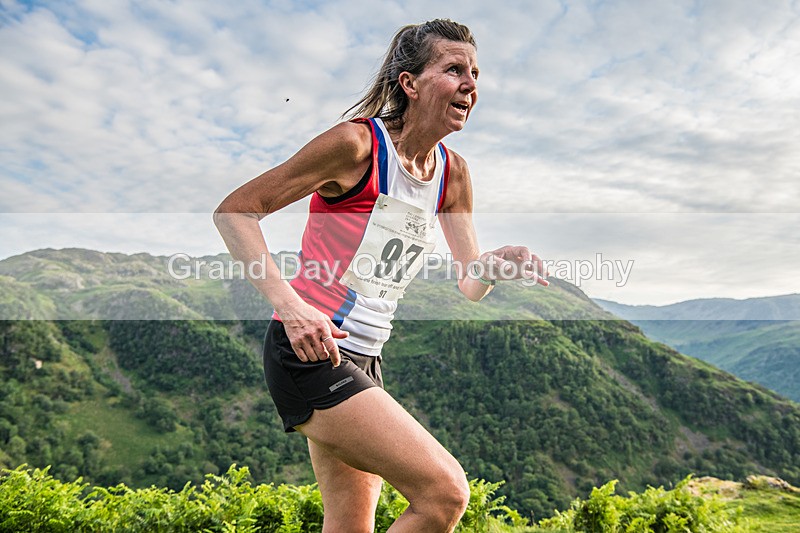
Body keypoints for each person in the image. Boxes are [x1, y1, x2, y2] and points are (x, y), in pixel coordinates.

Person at [214, 19, 548, 533]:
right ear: (410, 84)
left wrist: (494, 269)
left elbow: (470, 284)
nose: (471, 84)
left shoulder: (453, 173)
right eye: (454, 69)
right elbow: (236, 211)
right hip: (309, 350)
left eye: (475, 73)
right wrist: (291, 306)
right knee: (444, 494)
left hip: (367, 356)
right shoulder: (356, 146)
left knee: (350, 523)